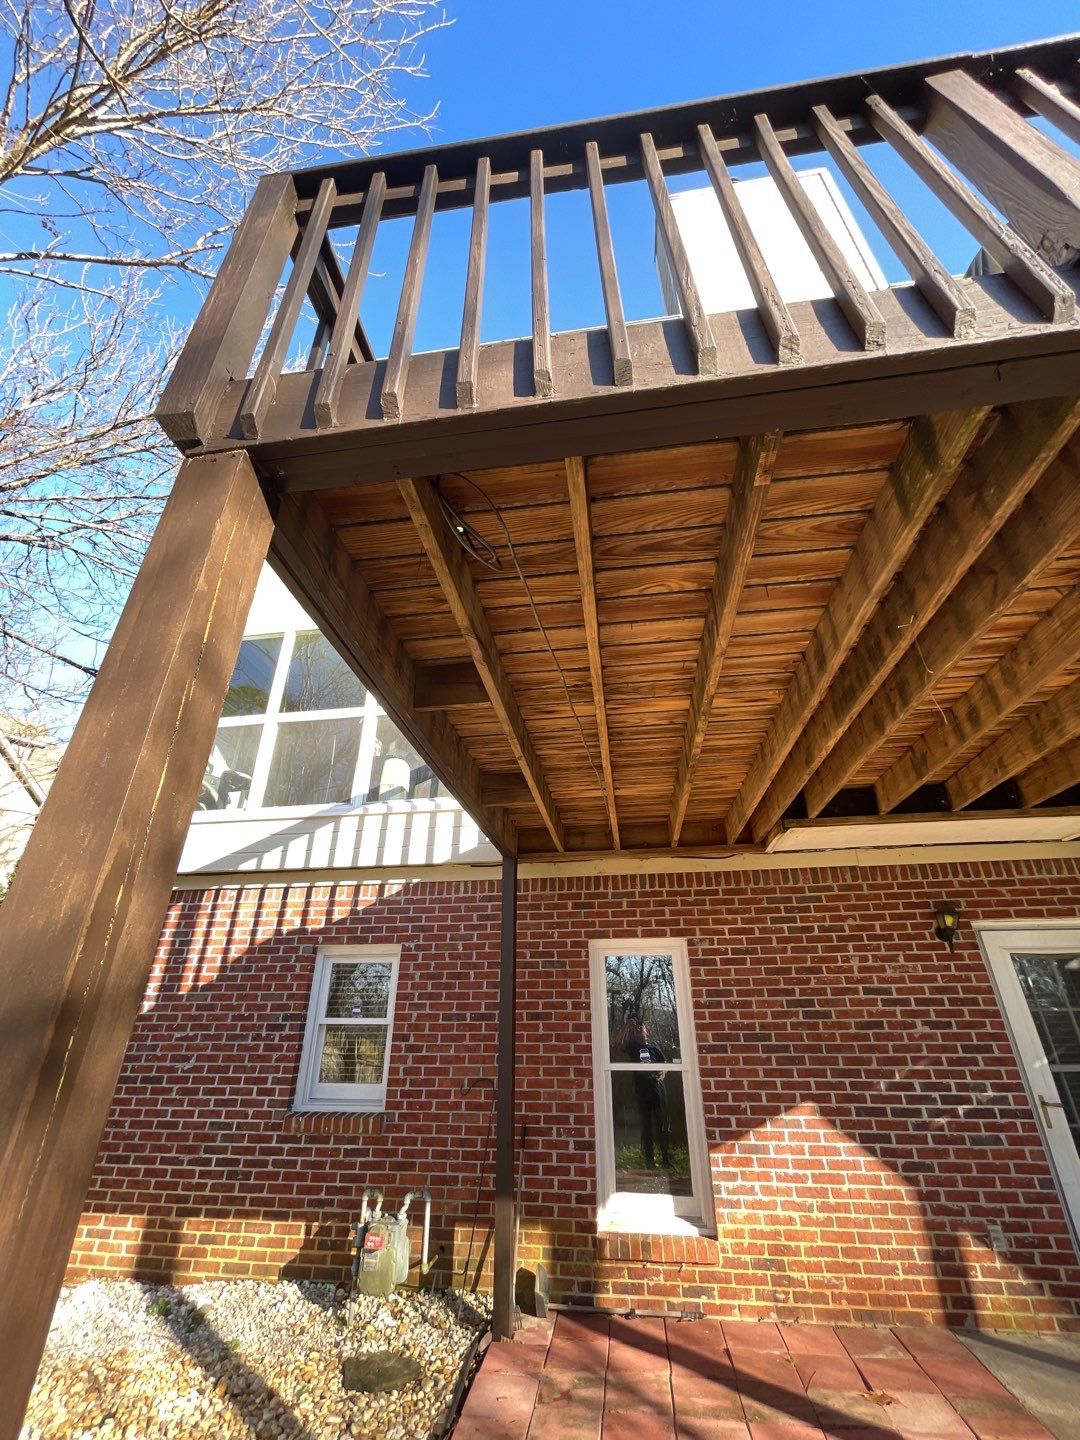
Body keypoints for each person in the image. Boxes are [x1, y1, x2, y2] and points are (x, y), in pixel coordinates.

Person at [621, 1016, 671, 1169]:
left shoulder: (654, 1047)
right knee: (647, 1125)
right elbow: (620, 1042)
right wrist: (627, 1026)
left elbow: (665, 1064)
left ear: (646, 1031)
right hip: (642, 1090)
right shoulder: (633, 1047)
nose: (638, 1031)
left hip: (657, 1088)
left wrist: (661, 1075)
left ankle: (666, 1158)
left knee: (662, 1123)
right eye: (636, 1029)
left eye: (640, 1028)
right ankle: (649, 1160)